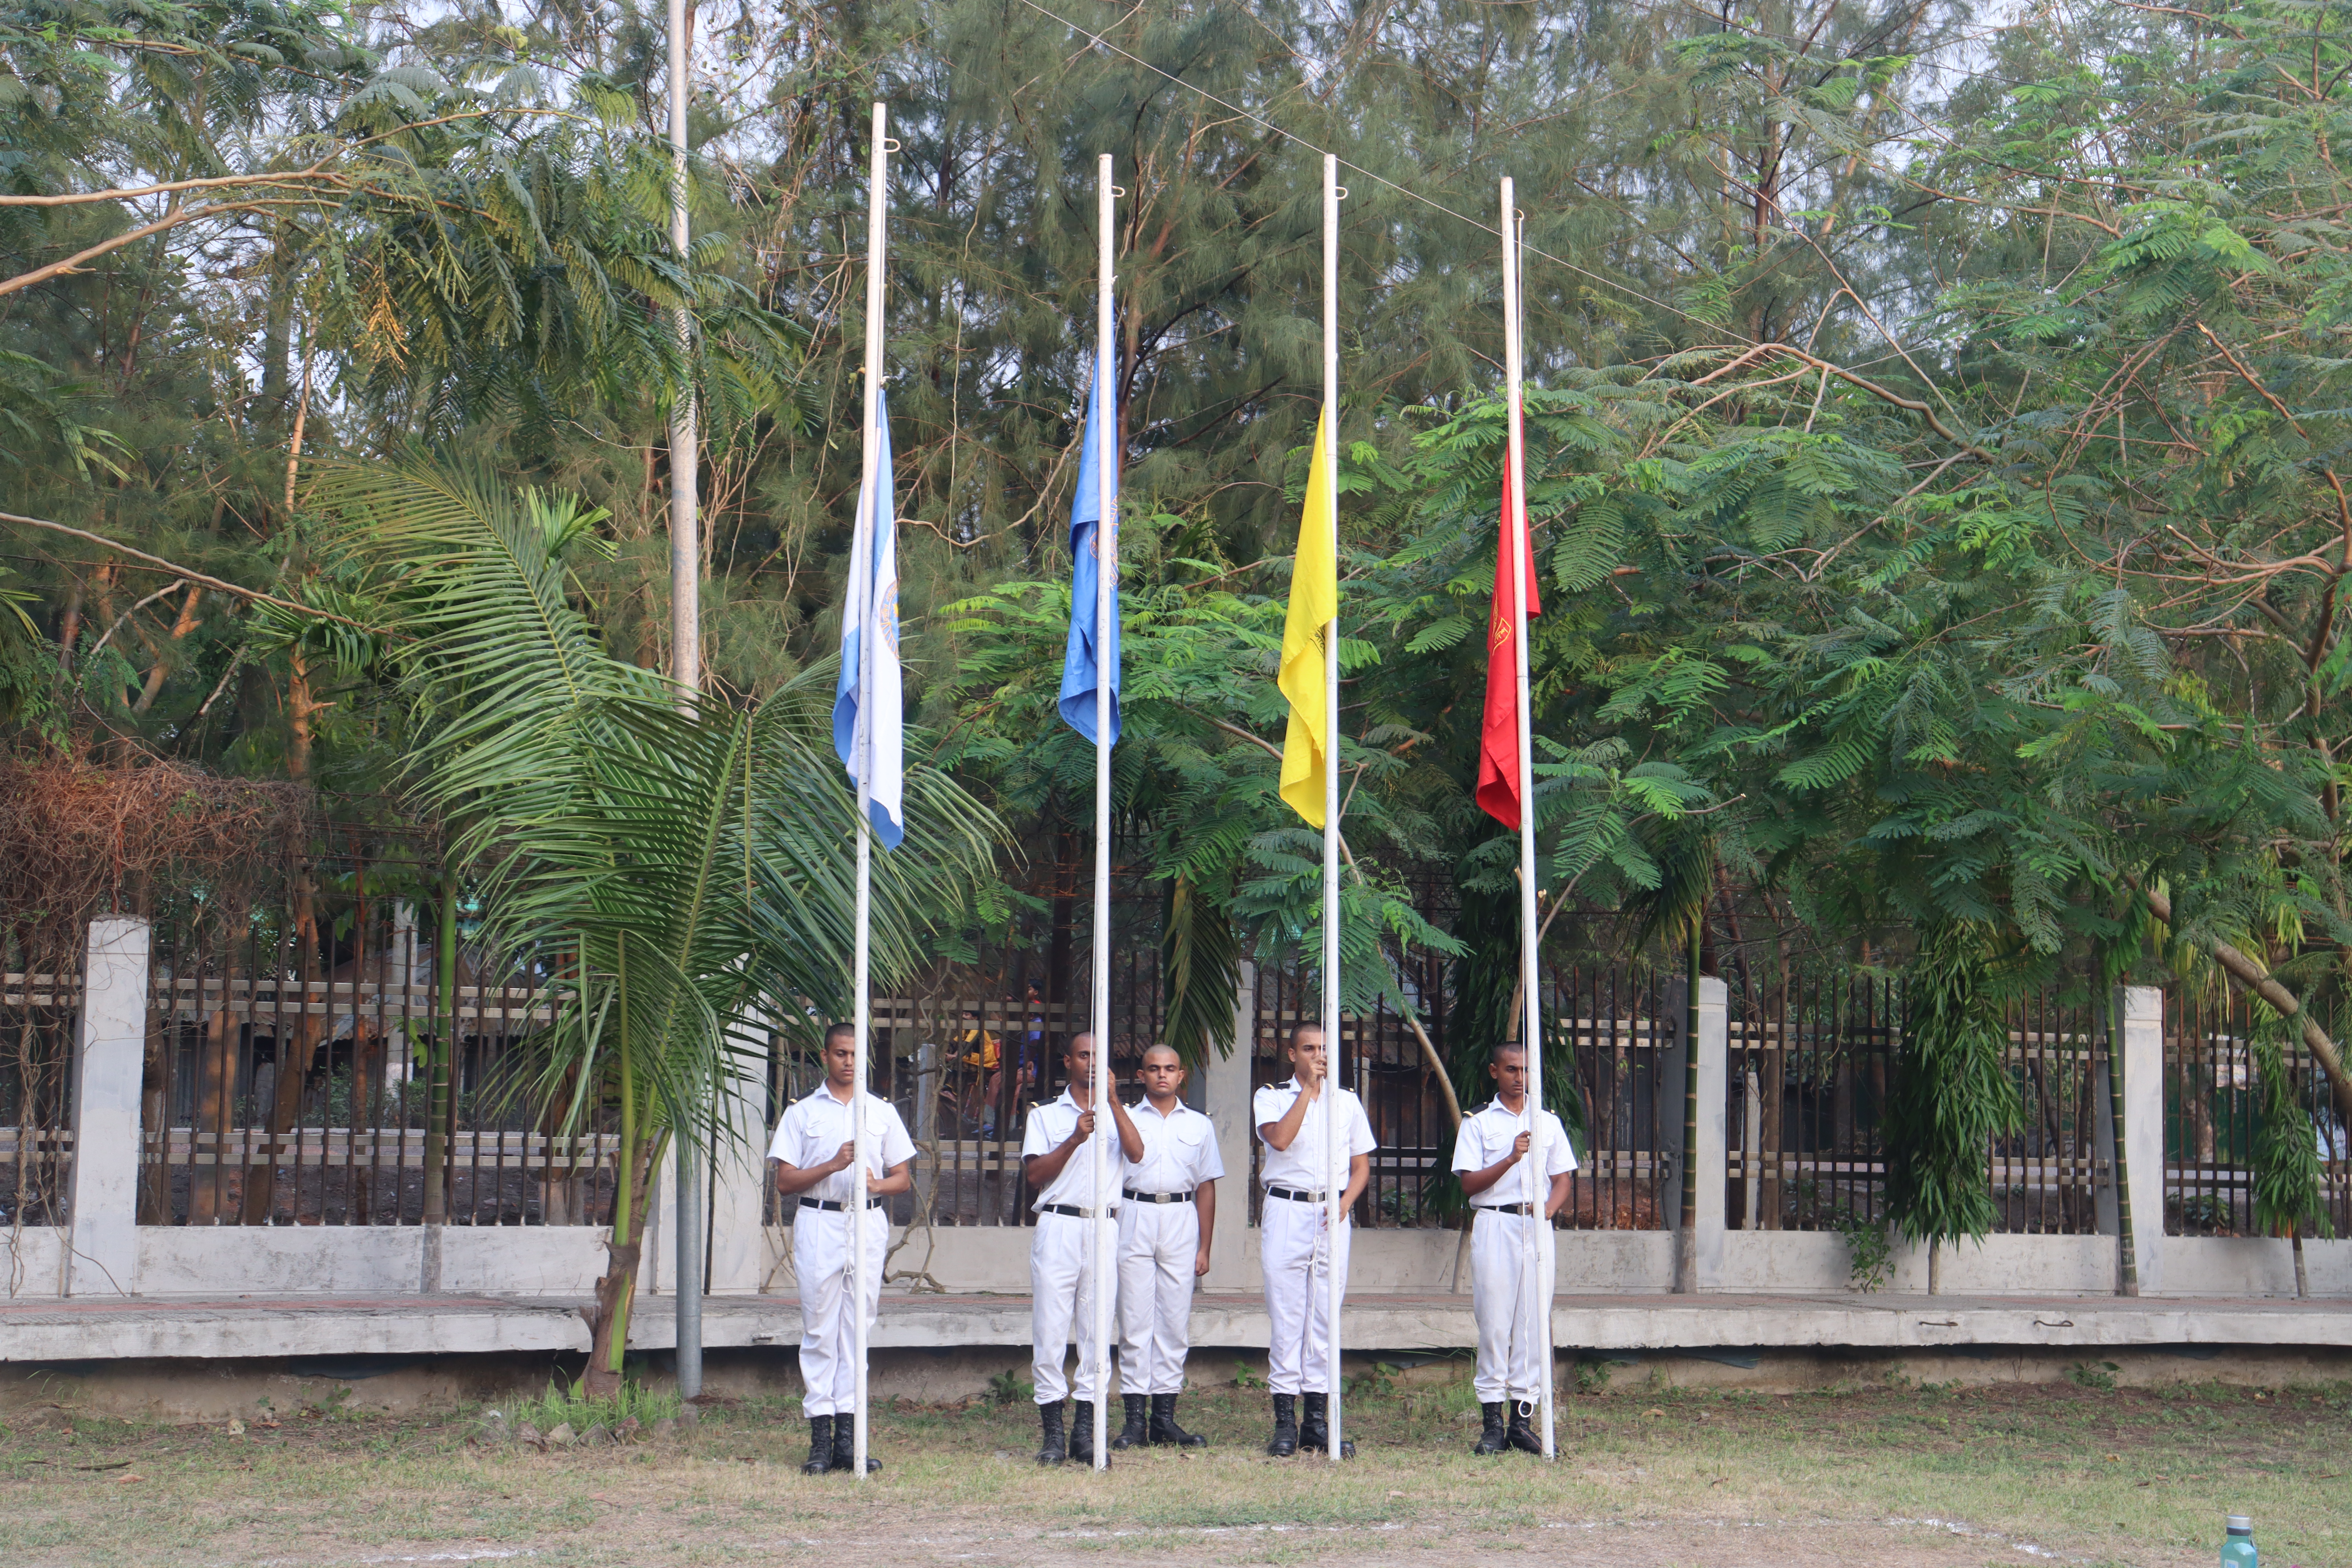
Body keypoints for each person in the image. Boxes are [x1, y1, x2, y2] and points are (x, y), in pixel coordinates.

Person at [769, 1022, 915, 1476]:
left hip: (866, 1220)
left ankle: (850, 1440)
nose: (848, 1062)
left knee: (857, 1328)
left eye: (855, 1054)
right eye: (840, 1053)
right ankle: (820, 1437)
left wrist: (877, 1184)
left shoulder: (881, 1111)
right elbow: (785, 1181)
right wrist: (833, 1164)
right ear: (825, 1056)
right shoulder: (803, 1113)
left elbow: (902, 1177)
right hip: (820, 1219)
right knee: (819, 1328)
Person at [1253, 1022, 1375, 1458]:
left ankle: (1317, 1423)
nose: (1318, 1055)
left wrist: (1346, 1203)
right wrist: (1308, 1089)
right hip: (1287, 1207)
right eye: (1309, 1048)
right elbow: (1280, 1140)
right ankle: (1285, 1423)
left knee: (1325, 1317)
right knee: (1287, 1316)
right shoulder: (1271, 1096)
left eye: (1324, 1048)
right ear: (1292, 1055)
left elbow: (1361, 1165)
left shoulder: (1347, 1102)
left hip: (1331, 1212)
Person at [1020, 1031, 1142, 1464]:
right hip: (1059, 1224)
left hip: (1103, 1225)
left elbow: (1137, 1153)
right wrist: (1074, 1138)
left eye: (1098, 1057)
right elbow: (1035, 1175)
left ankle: (1085, 1433)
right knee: (1051, 1329)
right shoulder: (1046, 1115)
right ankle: (1053, 1434)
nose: (1092, 1063)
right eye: (1084, 1055)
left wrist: (1113, 1102)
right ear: (1068, 1061)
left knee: (1096, 1330)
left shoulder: (1119, 1112)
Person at [1451, 1039, 1577, 1455]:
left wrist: (1548, 1211)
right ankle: (1492, 1423)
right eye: (1511, 1069)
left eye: (1525, 1070)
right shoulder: (1478, 1123)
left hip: (1535, 1225)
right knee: (1494, 1323)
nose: (1520, 1077)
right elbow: (1469, 1184)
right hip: (1495, 1222)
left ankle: (1522, 1421)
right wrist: (1510, 1158)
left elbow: (1563, 1179)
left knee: (1532, 1322)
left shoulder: (1547, 1121)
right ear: (1495, 1072)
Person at [1108, 1043, 1223, 1451]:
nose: (1162, 1075)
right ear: (1141, 1075)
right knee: (1135, 1321)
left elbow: (1206, 1187)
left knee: (1174, 1322)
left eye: (1170, 1068)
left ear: (1181, 1075)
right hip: (1134, 1213)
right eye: (1154, 1068)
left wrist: (1205, 1246)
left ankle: (1164, 1420)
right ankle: (1134, 1422)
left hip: (1180, 1216)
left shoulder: (1199, 1125)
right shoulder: (1123, 1118)